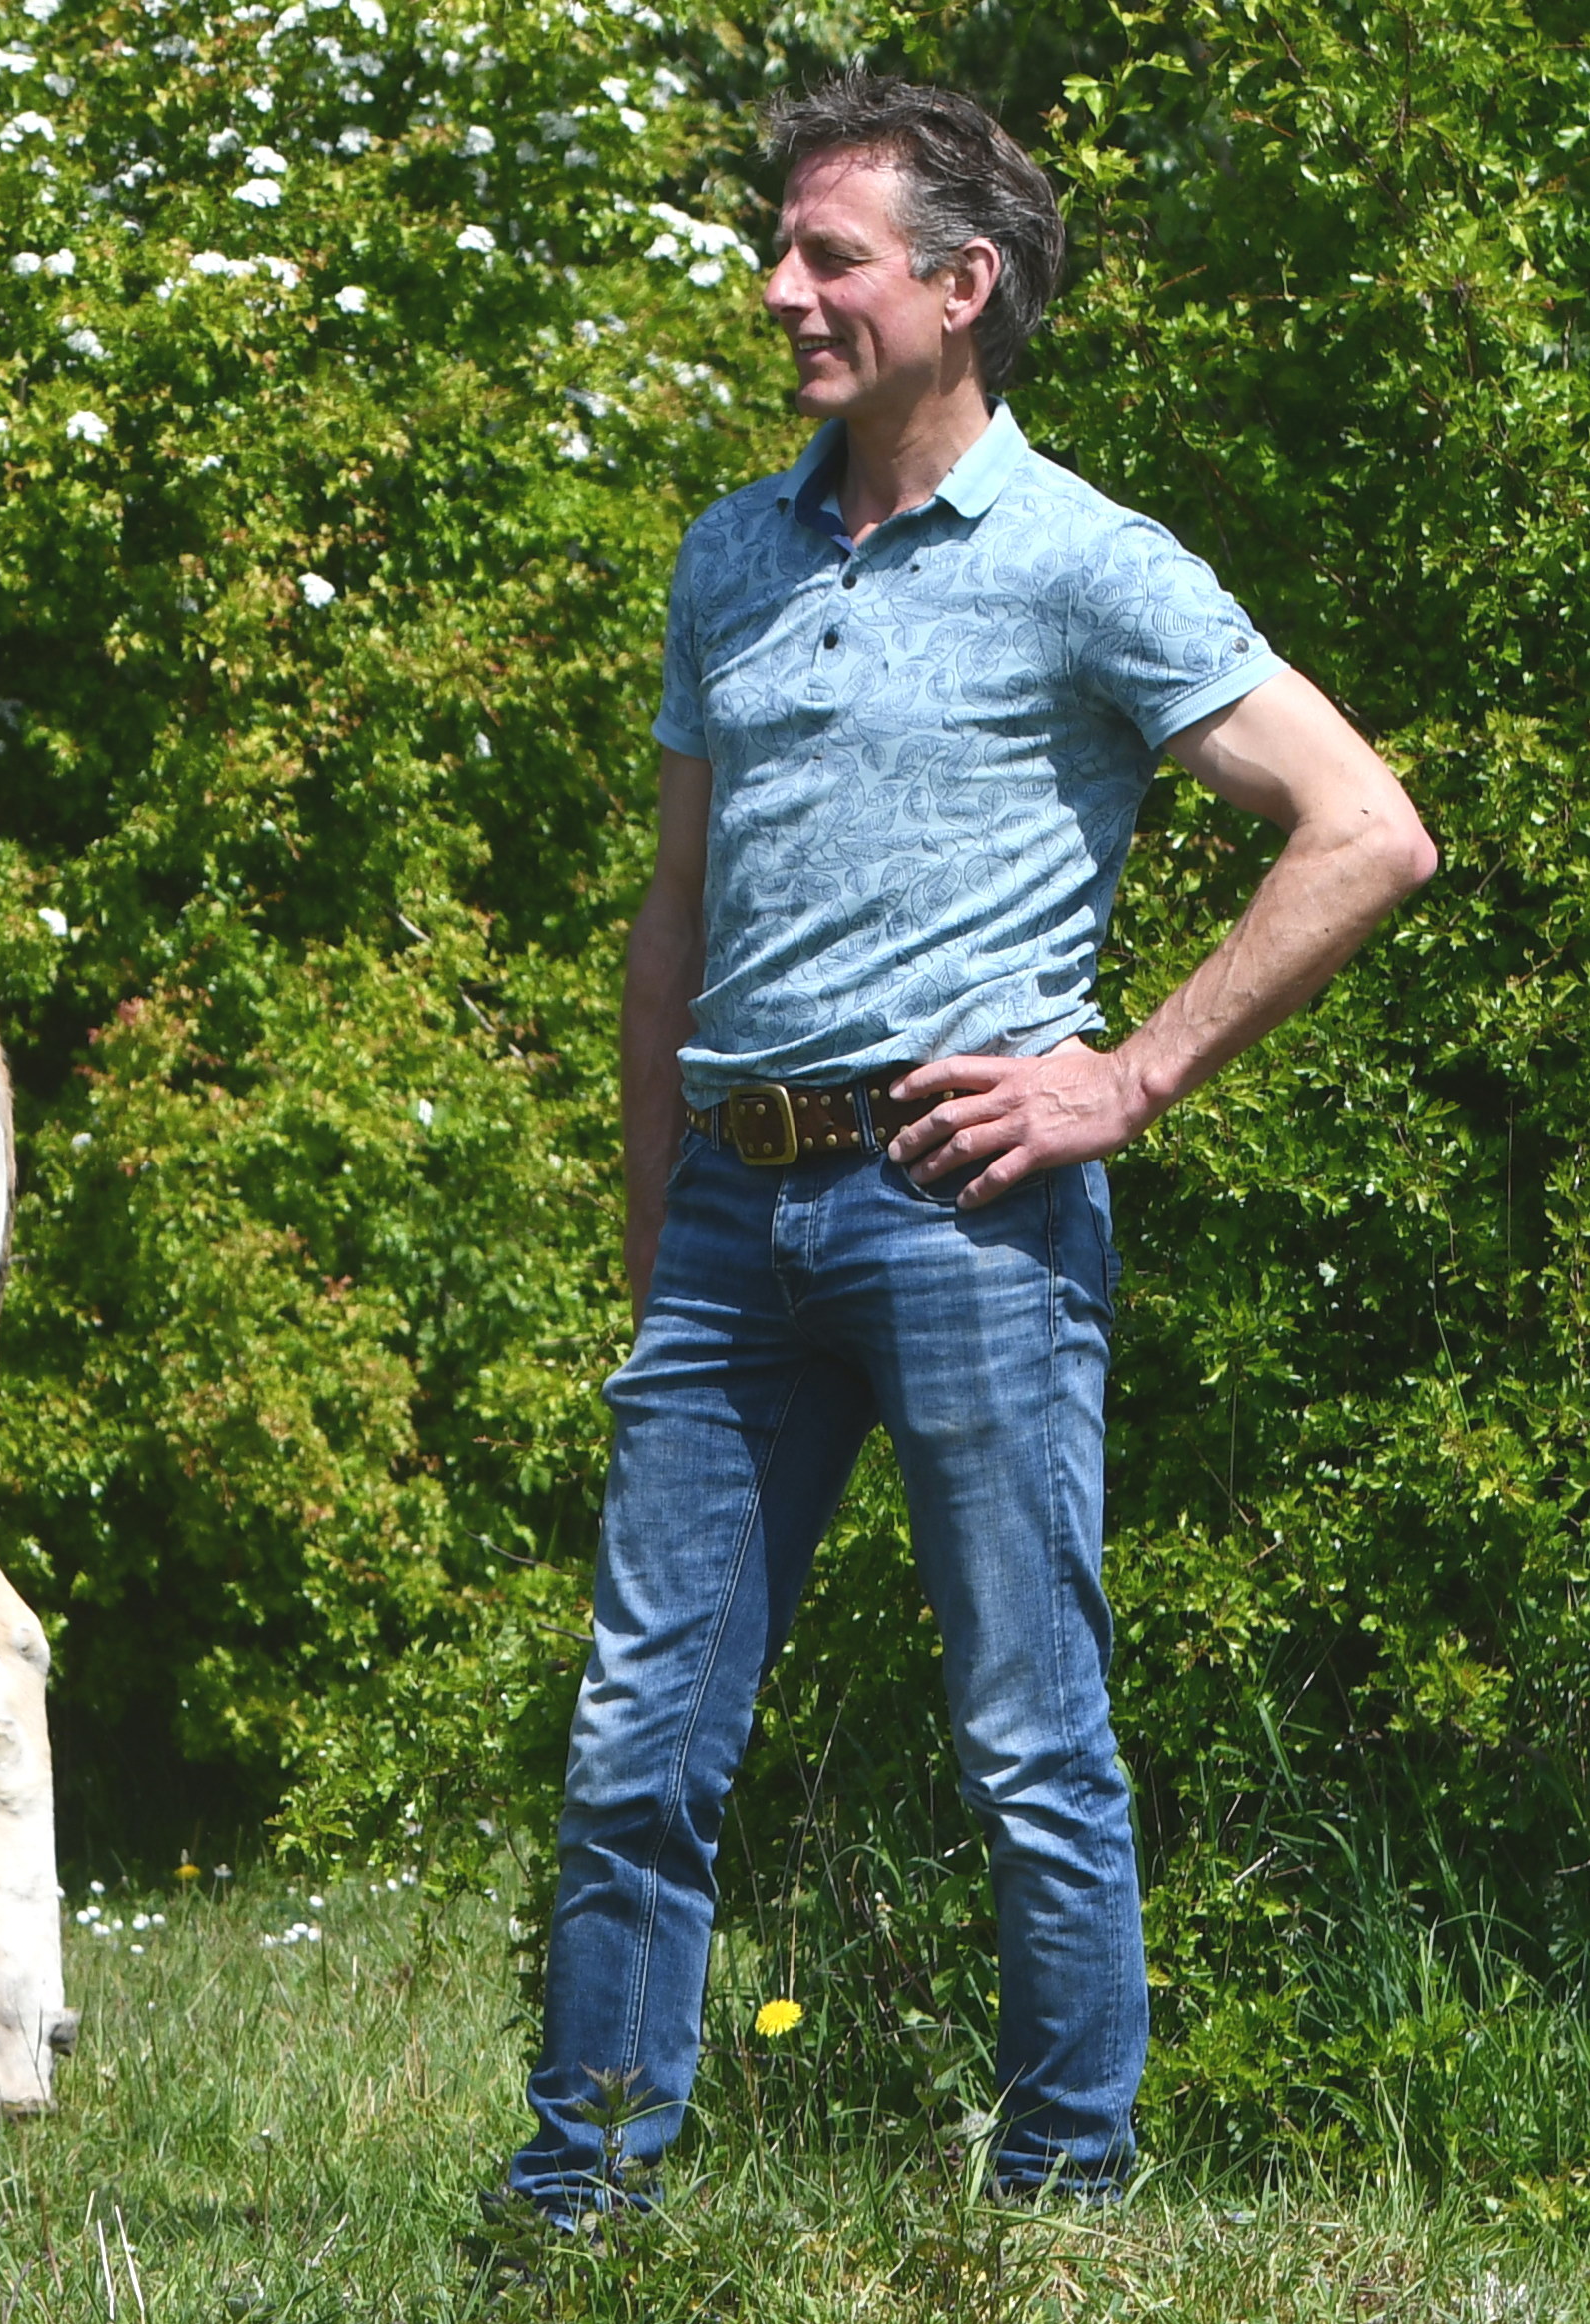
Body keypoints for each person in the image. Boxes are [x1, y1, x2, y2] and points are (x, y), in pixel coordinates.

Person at [503, 73, 1436, 2216]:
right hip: (732, 1209)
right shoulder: (725, 553)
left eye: (824, 256)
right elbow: (672, 911)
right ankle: (581, 2208)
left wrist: (1121, 1077)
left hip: (967, 1206)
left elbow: (1362, 826)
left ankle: (1060, 2210)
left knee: (1025, 1735)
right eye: (781, 252)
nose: (779, 293)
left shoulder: (1081, 561)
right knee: (637, 1740)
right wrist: (655, 1213)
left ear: (959, 283)